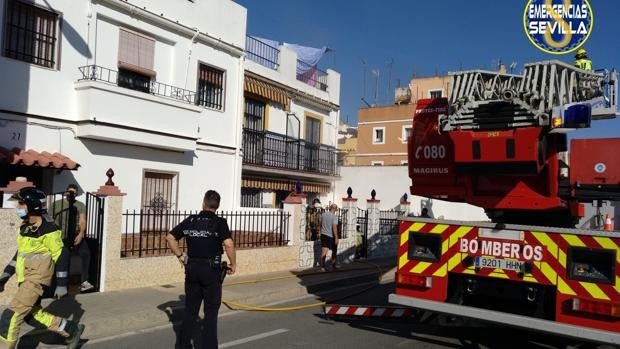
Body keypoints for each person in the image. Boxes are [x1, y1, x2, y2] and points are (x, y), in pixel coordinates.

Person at [0, 187, 84, 349]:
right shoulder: (24, 228)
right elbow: (20, 255)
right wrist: (5, 276)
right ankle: (71, 330)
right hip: (24, 279)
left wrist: (61, 284)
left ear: (32, 206)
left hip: (36, 280)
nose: (18, 208)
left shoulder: (49, 229)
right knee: (32, 316)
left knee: (10, 317)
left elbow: (62, 254)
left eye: (21, 205)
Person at [166, 190, 236, 349]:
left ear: (203, 203)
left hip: (191, 269)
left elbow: (170, 237)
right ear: (217, 206)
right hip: (211, 272)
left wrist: (180, 256)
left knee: (190, 311)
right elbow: (229, 244)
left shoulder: (191, 220)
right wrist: (233, 264)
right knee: (210, 314)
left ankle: (182, 345)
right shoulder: (219, 223)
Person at [50, 184, 93, 293]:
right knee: (63, 258)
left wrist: (81, 234)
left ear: (77, 194)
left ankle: (84, 281)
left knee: (86, 254)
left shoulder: (80, 205)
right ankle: (58, 283)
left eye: (74, 193)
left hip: (75, 234)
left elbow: (82, 220)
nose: (71, 195)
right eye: (70, 192)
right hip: (60, 236)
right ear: (66, 193)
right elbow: (50, 220)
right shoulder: (56, 204)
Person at [319, 203, 339, 271]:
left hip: (323, 234)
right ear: (335, 209)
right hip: (331, 236)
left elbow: (320, 224)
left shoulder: (323, 214)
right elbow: (334, 227)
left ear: (330, 208)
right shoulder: (334, 217)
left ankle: (324, 266)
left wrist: (320, 232)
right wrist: (336, 237)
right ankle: (331, 266)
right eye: (336, 209)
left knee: (324, 250)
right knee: (333, 250)